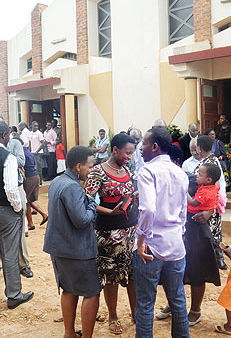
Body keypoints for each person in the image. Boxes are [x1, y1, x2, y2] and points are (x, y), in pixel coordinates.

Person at [134, 127, 190, 338]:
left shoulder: (147, 171)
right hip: (175, 245)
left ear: (155, 147)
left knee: (146, 303)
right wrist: (180, 232)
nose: (141, 148)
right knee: (177, 300)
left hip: (150, 246)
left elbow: (148, 209)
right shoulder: (180, 173)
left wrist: (141, 239)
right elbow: (183, 211)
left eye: (144, 144)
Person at [43, 146, 99, 338]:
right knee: (91, 292)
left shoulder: (58, 180)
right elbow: (82, 220)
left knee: (69, 289)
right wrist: (92, 204)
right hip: (77, 250)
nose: (91, 171)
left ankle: (69, 333)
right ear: (78, 166)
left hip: (59, 247)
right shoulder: (73, 186)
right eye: (90, 167)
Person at [84, 133, 138, 335]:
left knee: (132, 275)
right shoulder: (98, 172)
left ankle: (135, 313)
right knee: (111, 277)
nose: (129, 157)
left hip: (130, 231)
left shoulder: (127, 170)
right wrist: (110, 211)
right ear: (115, 150)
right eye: (127, 153)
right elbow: (87, 202)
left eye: (131, 153)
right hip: (108, 234)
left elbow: (127, 194)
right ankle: (113, 316)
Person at [0, 121, 34, 310]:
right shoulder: (8, 157)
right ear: (5, 135)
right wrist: (18, 208)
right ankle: (13, 294)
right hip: (6, 210)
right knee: (10, 254)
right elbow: (11, 188)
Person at [185, 163, 221, 326]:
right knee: (173, 270)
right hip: (176, 227)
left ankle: (195, 310)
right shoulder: (192, 174)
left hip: (196, 229)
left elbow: (216, 193)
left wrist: (210, 210)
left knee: (196, 269)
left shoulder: (202, 179)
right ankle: (175, 306)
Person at [194, 135, 227, 270]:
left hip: (207, 204)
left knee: (208, 234)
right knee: (215, 232)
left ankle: (213, 261)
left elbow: (214, 186)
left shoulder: (207, 164)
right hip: (212, 203)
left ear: (199, 147)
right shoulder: (213, 160)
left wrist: (211, 208)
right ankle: (218, 259)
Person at [7, 133, 33, 278]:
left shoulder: (14, 144)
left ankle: (23, 265)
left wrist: (6, 157)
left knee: (19, 227)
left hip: (15, 187)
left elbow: (21, 161)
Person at [23, 146, 48, 231]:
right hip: (35, 175)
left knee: (25, 200)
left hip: (29, 177)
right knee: (29, 200)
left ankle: (30, 224)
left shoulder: (21, 153)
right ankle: (43, 215)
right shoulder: (29, 153)